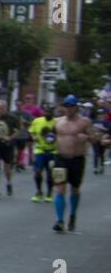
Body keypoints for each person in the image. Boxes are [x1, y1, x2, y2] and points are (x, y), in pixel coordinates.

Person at [52, 94, 104, 232]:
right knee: (60, 188)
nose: (68, 109)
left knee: (75, 189)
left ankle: (73, 215)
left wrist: (86, 137)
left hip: (77, 159)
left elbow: (95, 139)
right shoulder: (57, 121)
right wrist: (49, 139)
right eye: (66, 106)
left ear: (76, 107)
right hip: (60, 158)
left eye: (71, 106)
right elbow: (50, 136)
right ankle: (60, 220)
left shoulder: (84, 122)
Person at [29, 105, 57, 204]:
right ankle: (39, 191)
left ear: (52, 113)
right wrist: (34, 137)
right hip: (40, 150)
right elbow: (32, 132)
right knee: (37, 172)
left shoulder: (57, 122)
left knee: (50, 174)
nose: (46, 114)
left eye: (49, 112)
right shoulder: (37, 121)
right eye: (45, 112)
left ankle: (49, 193)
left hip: (53, 151)